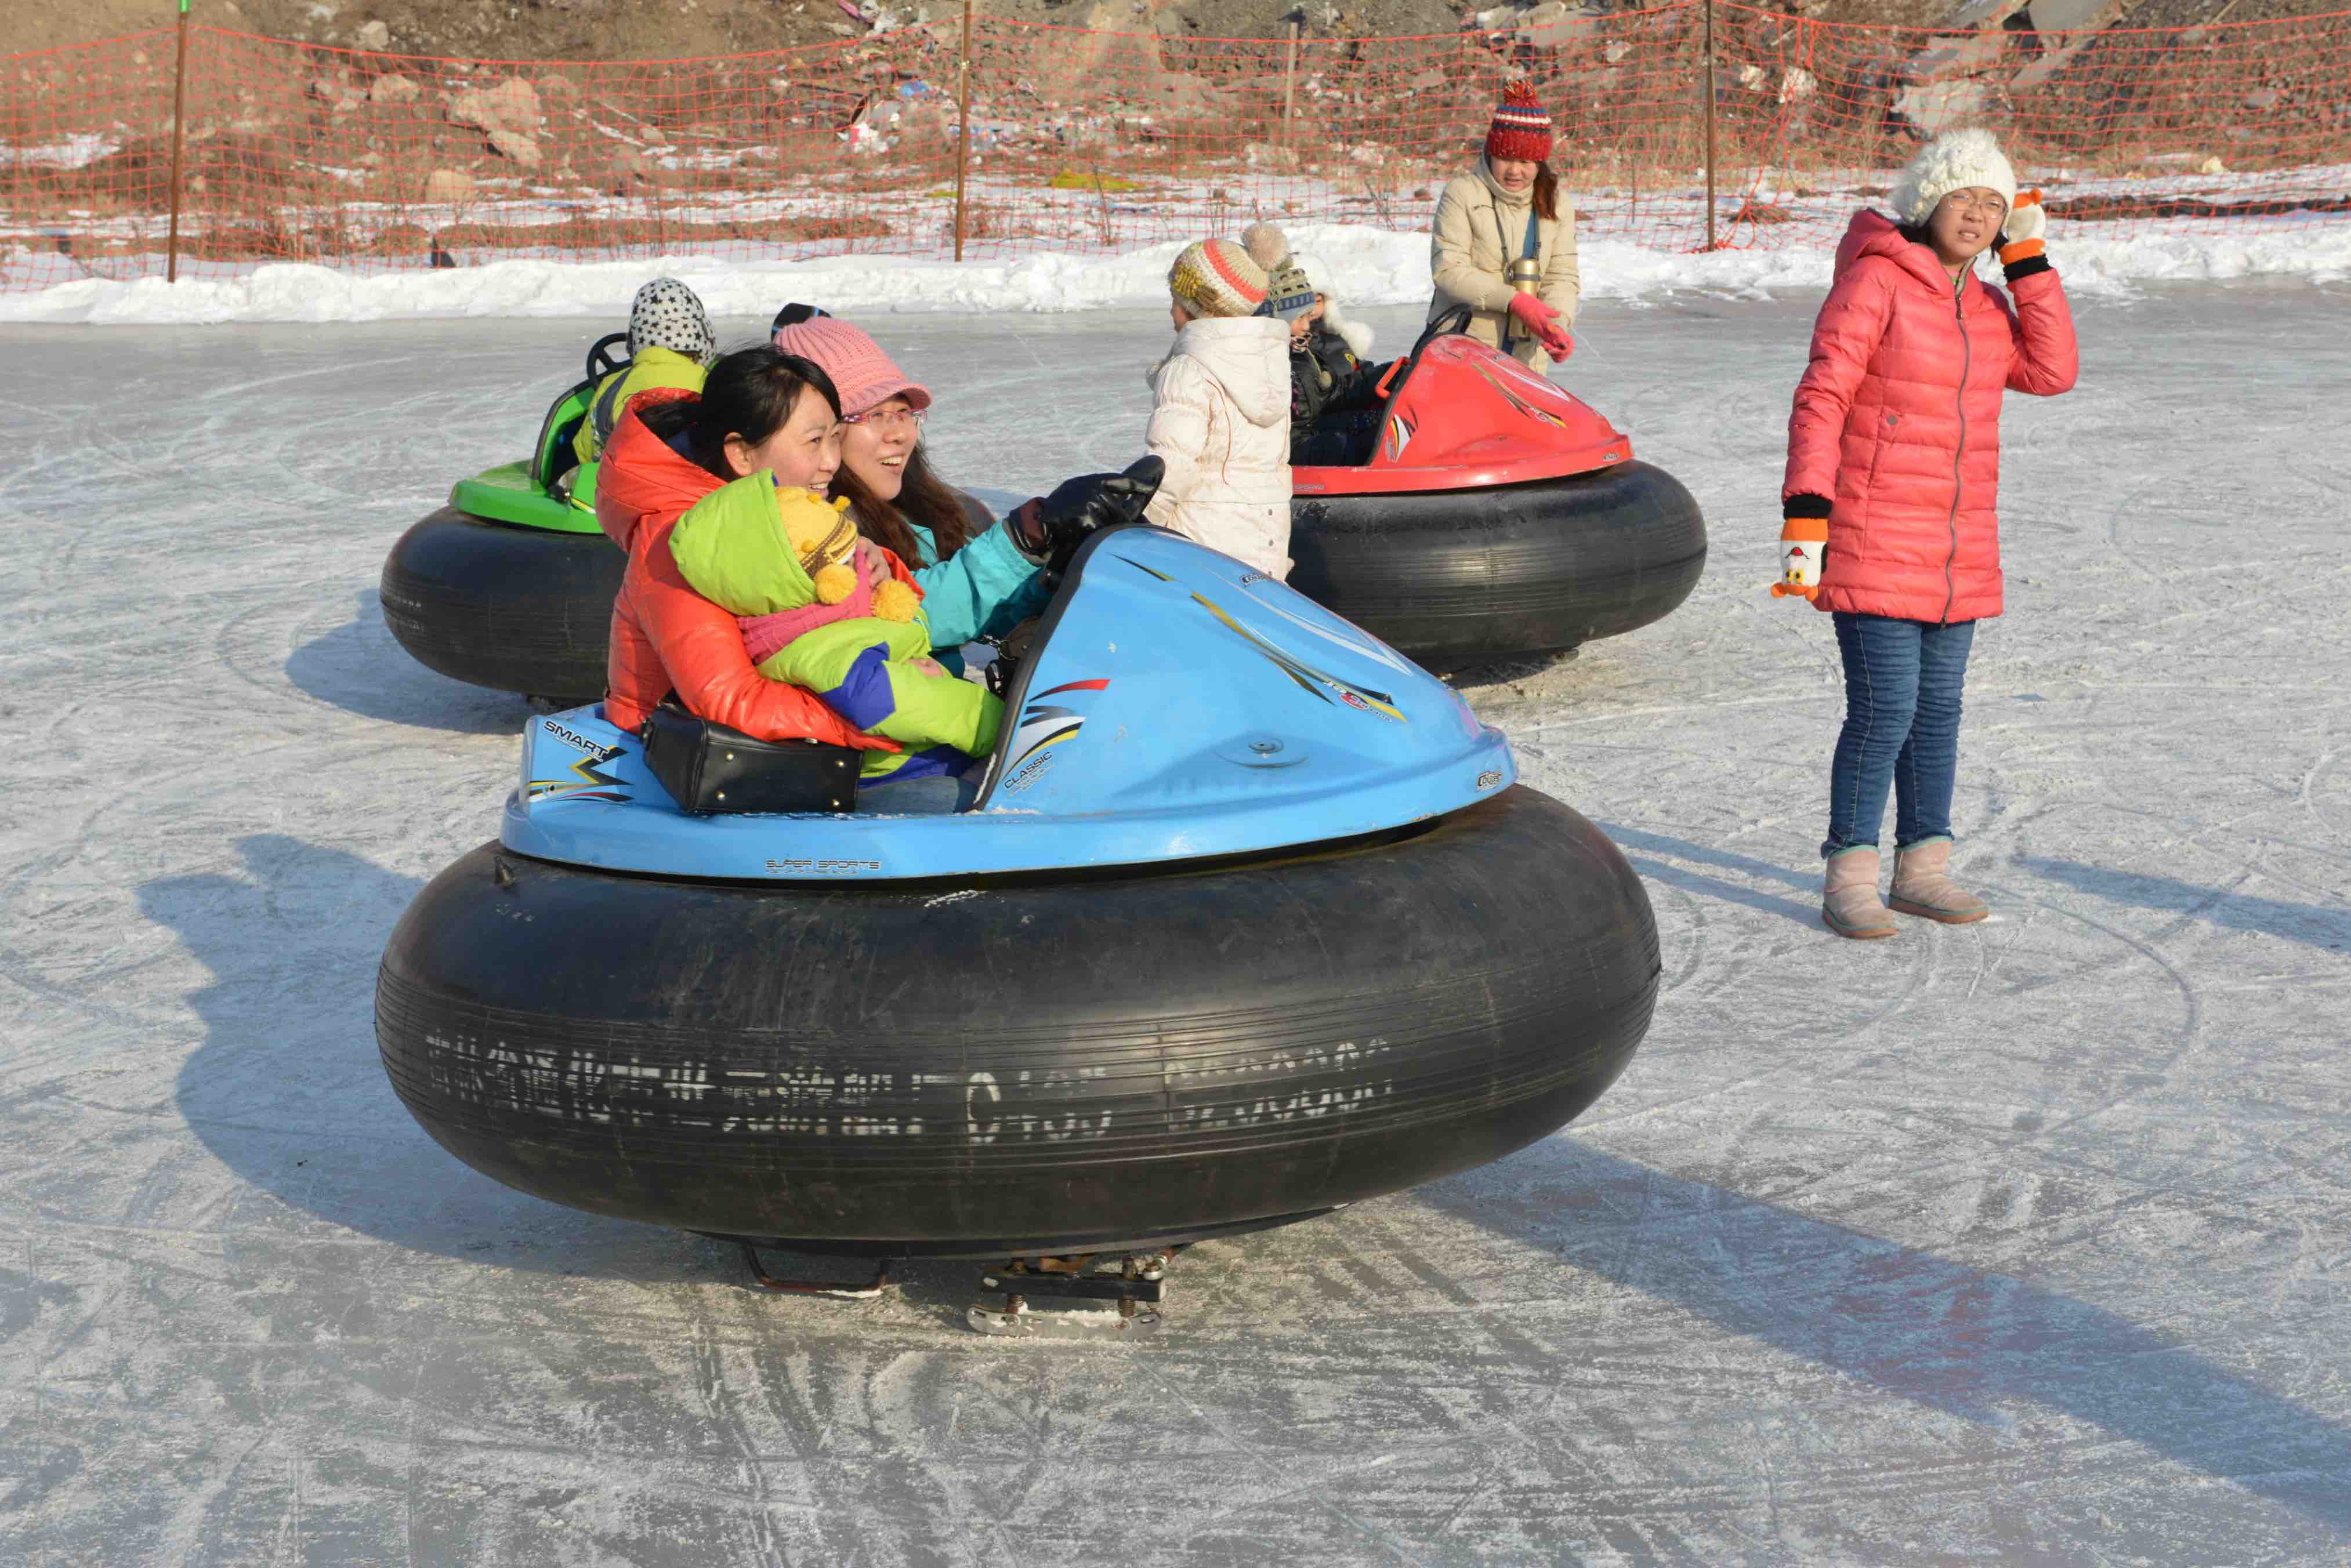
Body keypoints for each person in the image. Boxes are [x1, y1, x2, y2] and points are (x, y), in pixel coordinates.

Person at [594, 346, 1133, 814]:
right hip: (709, 764)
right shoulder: (678, 544)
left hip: (817, 744)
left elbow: (850, 620)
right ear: (740, 454)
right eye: (813, 443)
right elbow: (728, 700)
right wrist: (881, 712)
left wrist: (879, 569)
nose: (831, 463)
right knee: (991, 812)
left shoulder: (787, 511)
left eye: (835, 438)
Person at [1778, 127, 2078, 938]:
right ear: (1928, 202)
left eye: (1993, 203)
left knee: (1938, 711)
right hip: (1873, 532)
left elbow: (2051, 371)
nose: (1977, 215)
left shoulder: (1983, 305)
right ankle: (1849, 872)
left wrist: (2028, 260)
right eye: (1964, 198)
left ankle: (1923, 869)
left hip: (1957, 546)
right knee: (1885, 711)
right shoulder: (1875, 283)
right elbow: (1823, 396)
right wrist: (1807, 511)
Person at [668, 483, 1002, 796]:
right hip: (912, 770)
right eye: (848, 559)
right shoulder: (818, 644)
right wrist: (999, 725)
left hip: (932, 747)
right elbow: (883, 701)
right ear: (825, 581)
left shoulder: (825, 622)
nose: (863, 562)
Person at [772, 313, 1049, 665]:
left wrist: (1054, 571)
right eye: (874, 415)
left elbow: (982, 616)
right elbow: (909, 612)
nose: (900, 433)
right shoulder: (809, 531)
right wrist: (1022, 540)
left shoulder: (913, 512)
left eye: (903, 412)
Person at [1143, 237, 1293, 577]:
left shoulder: (1189, 369)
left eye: (1175, 299)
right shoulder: (1270, 362)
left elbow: (1173, 465)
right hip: (1266, 532)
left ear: (1197, 304)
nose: (1171, 310)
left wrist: (1135, 517)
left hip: (1202, 536)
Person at [1428, 82, 1578, 371]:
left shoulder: (1556, 203)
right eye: (1506, 159)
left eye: (1525, 161)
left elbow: (1562, 275)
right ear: (1491, 153)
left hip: (1527, 359)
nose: (1515, 171)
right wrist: (1514, 301)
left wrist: (1557, 325)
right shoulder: (1462, 193)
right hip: (1463, 351)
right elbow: (1448, 270)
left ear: (1539, 162)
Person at [1242, 223, 1386, 467]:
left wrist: (1383, 376)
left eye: (1318, 304)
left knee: (1379, 425)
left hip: (1312, 430)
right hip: (1288, 450)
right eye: (1302, 316)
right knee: (1354, 443)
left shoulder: (1312, 346)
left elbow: (1334, 391)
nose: (1309, 324)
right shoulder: (1277, 359)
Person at [569, 278, 716, 505]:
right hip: (697, 501)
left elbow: (586, 450)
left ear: (636, 337)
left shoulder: (613, 386)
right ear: (701, 333)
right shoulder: (712, 383)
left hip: (625, 503)